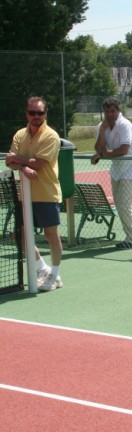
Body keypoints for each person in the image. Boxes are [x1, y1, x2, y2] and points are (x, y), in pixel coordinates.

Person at [5, 96, 63, 291]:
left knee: (51, 235)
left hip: (46, 193)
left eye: (40, 113)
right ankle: (43, 269)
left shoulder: (51, 136)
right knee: (19, 235)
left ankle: (55, 275)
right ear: (26, 114)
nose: (36, 116)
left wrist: (19, 161)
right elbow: (9, 162)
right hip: (25, 195)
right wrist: (23, 167)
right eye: (32, 112)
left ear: (45, 114)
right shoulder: (19, 135)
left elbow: (38, 164)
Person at [91, 97, 132, 250]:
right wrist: (102, 131)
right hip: (117, 169)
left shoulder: (125, 125)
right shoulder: (102, 126)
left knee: (123, 204)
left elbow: (123, 150)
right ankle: (131, 237)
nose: (110, 114)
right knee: (120, 204)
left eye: (113, 111)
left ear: (118, 111)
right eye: (107, 111)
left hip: (131, 168)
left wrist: (101, 155)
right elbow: (99, 148)